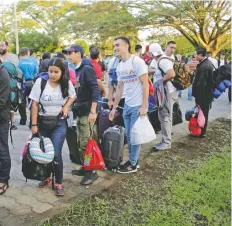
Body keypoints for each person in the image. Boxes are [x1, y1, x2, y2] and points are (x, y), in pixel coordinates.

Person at [29, 57, 76, 196]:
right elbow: (34, 104)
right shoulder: (41, 82)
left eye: (56, 72)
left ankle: (59, 182)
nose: (53, 75)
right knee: (44, 153)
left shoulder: (66, 83)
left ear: (62, 72)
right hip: (42, 123)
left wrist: (66, 106)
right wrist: (33, 124)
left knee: (56, 154)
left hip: (59, 123)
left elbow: (72, 96)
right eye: (50, 71)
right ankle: (46, 177)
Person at [109, 36, 149, 173]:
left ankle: (133, 164)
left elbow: (145, 84)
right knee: (129, 136)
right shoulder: (120, 65)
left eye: (118, 45)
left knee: (135, 136)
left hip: (138, 106)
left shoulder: (137, 62)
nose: (115, 48)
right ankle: (133, 161)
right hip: (127, 105)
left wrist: (144, 106)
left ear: (126, 45)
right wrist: (114, 108)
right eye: (114, 45)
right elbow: (119, 88)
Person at [62, 45, 101, 185]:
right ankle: (86, 167)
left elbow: (95, 90)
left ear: (78, 53)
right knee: (80, 142)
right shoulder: (78, 69)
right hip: (80, 111)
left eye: (70, 53)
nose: (68, 56)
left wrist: (93, 111)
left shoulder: (87, 69)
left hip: (87, 112)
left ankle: (92, 172)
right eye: (67, 53)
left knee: (86, 143)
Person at [149, 43, 178, 150]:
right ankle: (166, 139)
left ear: (151, 53)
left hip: (167, 92)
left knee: (164, 116)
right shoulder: (160, 59)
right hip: (167, 92)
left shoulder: (163, 60)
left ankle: (166, 142)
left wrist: (160, 82)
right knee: (166, 116)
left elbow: (171, 74)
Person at [192, 47, 214, 138]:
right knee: (203, 113)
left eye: (196, 54)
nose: (194, 55)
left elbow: (202, 83)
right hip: (206, 94)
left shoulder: (204, 66)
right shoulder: (205, 63)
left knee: (203, 113)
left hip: (204, 94)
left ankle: (201, 132)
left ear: (200, 55)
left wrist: (198, 97)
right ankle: (200, 131)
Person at [0, 40, 21, 130]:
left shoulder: (12, 57)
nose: (0, 48)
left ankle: (10, 122)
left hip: (10, 83)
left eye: (2, 46)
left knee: (10, 102)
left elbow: (14, 68)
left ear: (7, 46)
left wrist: (3, 63)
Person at [18, 47, 38, 125]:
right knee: (32, 103)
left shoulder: (18, 63)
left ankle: (23, 120)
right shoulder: (34, 61)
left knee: (21, 102)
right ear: (28, 53)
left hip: (21, 84)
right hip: (31, 83)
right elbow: (36, 73)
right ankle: (31, 122)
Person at [0, 63, 11, 195]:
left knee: (2, 149)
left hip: (1, 118)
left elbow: (1, 101)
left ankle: (4, 180)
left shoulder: (3, 74)